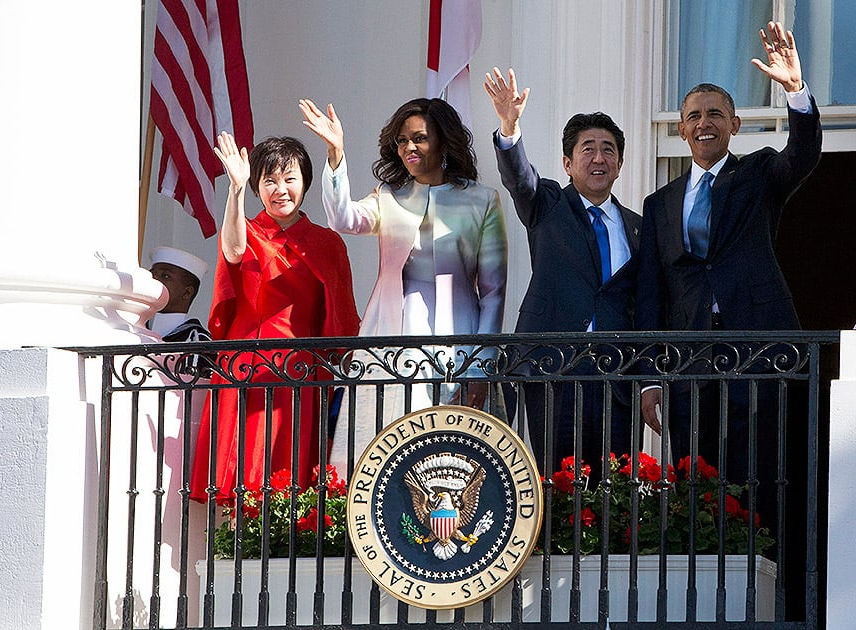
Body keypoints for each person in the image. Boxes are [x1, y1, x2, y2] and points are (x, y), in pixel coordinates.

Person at [636, 22, 822, 516]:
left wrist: (794, 90)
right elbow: (652, 294)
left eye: (715, 114)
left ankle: (768, 581)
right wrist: (650, 378)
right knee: (696, 481)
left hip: (759, 350)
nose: (704, 123)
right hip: (689, 360)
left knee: (763, 476)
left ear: (734, 125)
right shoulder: (659, 204)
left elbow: (802, 156)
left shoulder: (758, 173)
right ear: (681, 129)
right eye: (694, 116)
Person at [299, 97, 508, 470]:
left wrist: (480, 367)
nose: (409, 147)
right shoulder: (387, 198)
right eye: (401, 141)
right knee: (385, 446)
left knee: (453, 455)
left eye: (420, 138)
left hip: (459, 340)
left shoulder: (482, 201)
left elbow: (493, 291)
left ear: (444, 142)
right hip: (390, 338)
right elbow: (343, 218)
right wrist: (336, 154)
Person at [484, 67, 641, 480]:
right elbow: (519, 178)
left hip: (615, 373)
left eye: (608, 149)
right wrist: (509, 126)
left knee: (616, 483)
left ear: (620, 164)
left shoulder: (640, 226)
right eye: (587, 149)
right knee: (555, 480)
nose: (599, 157)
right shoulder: (548, 204)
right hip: (552, 367)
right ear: (568, 163)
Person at [189, 134, 361, 503]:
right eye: (269, 180)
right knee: (243, 467)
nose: (280, 189)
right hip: (246, 360)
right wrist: (235, 190)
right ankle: (239, 548)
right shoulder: (247, 229)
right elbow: (233, 250)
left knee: (292, 472)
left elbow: (342, 315)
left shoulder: (327, 243)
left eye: (289, 179)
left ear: (305, 183)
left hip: (300, 367)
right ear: (257, 187)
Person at [148, 246, 211, 343]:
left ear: (187, 292)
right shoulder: (133, 326)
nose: (153, 279)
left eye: (165, 276)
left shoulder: (197, 340)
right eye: (151, 274)